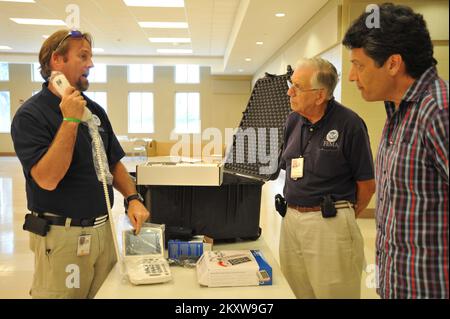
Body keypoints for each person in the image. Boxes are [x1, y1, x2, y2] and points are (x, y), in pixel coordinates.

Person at [11, 29, 150, 299]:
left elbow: (112, 163)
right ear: (57, 61)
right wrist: (70, 121)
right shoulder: (30, 115)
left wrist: (133, 197)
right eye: (83, 56)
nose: (91, 64)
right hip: (63, 237)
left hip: (103, 233)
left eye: (91, 57)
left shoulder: (94, 110)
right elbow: (47, 178)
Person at [342, 3, 449, 299]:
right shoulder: (398, 113)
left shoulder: (438, 112)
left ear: (392, 64)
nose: (352, 76)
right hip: (399, 285)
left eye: (359, 65)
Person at [279, 57, 376, 299]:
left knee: (334, 293)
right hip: (290, 220)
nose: (290, 91)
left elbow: (367, 185)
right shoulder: (293, 120)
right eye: (292, 84)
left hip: (329, 222)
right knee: (297, 290)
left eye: (298, 87)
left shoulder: (349, 124)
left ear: (320, 95)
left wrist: (341, 218)